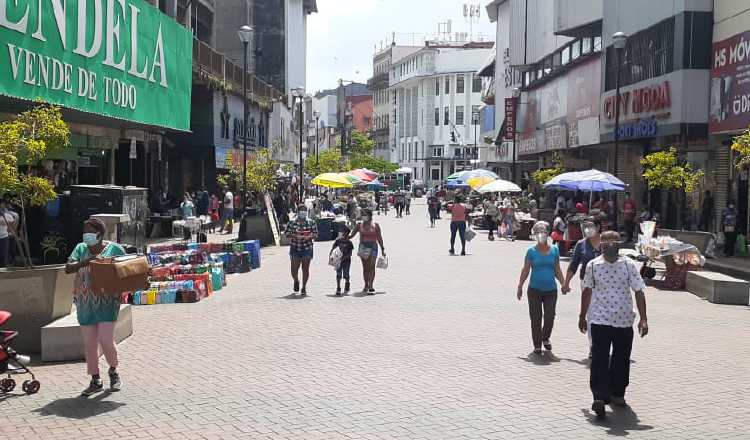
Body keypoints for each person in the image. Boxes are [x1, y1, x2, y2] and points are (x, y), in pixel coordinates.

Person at [579, 231, 648, 419]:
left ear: (619, 244)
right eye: (605, 243)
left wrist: (643, 318)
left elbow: (639, 290)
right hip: (600, 320)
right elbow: (587, 291)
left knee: (621, 359)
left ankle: (617, 393)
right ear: (600, 245)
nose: (609, 246)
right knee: (599, 358)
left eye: (613, 242)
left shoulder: (628, 265)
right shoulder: (593, 266)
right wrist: (582, 315)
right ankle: (599, 397)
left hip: (624, 321)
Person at [64, 218, 126, 396]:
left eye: (89, 230)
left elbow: (128, 268)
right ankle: (95, 379)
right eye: (84, 230)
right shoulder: (80, 249)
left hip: (108, 302)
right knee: (90, 344)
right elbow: (68, 268)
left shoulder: (114, 249)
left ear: (99, 233)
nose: (86, 234)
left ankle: (113, 371)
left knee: (105, 339)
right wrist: (86, 262)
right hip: (85, 304)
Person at [517, 221, 569, 354]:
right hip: (534, 289)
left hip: (551, 290)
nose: (541, 235)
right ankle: (537, 344)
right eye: (538, 233)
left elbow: (557, 269)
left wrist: (564, 283)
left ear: (547, 234)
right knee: (535, 317)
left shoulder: (554, 250)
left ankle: (545, 337)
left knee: (550, 316)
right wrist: (520, 285)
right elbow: (526, 269)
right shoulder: (531, 251)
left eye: (543, 232)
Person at [563, 220, 602, 357]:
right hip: (587, 283)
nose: (587, 229)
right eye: (585, 227)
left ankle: (605, 343)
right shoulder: (581, 244)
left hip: (605, 284)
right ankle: (594, 346)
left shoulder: (606, 243)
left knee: (604, 313)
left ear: (598, 227)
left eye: (590, 227)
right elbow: (573, 265)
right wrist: (566, 283)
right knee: (591, 314)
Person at [349, 208, 385, 294]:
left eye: (365, 214)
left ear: (370, 216)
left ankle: (371, 285)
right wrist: (342, 236)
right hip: (363, 247)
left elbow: (379, 237)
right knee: (365, 267)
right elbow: (352, 235)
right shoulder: (359, 225)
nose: (363, 216)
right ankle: (366, 284)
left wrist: (382, 248)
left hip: (373, 246)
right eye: (362, 214)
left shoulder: (375, 225)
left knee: (372, 266)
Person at [284, 205, 318, 295]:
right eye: (302, 210)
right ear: (298, 212)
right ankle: (296, 280)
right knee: (294, 269)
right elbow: (286, 233)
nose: (303, 212)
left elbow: (315, 234)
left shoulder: (311, 222)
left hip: (307, 247)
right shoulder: (291, 223)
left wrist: (309, 236)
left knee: (305, 268)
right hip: (295, 247)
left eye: (305, 210)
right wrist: (295, 236)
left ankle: (304, 287)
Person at [330, 225, 354, 295]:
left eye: (342, 231)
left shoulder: (349, 243)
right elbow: (333, 248)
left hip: (346, 261)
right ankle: (338, 287)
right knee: (338, 274)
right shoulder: (337, 241)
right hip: (338, 261)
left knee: (346, 274)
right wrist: (331, 256)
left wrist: (343, 258)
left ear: (346, 233)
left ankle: (347, 283)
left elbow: (350, 253)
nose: (340, 233)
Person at [0, 199, 19, 268]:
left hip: (4, 237)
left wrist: (13, 234)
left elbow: (11, 227)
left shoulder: (8, 216)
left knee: (3, 257)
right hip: (4, 237)